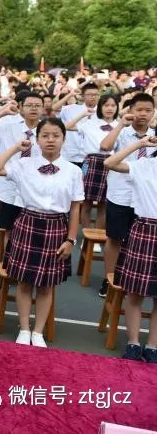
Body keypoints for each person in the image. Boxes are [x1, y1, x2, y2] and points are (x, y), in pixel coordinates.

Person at [0, 118, 83, 348]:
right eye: (45, 135)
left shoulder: (73, 171)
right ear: (37, 139)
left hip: (56, 228)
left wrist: (71, 239)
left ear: (64, 139)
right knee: (23, 282)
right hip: (27, 223)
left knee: (46, 284)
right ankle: (24, 328)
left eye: (56, 135)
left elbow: (76, 207)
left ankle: (38, 331)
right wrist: (15, 148)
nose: (50, 140)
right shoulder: (24, 164)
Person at [103, 134, 157, 363]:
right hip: (144, 229)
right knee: (134, 293)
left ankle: (153, 346)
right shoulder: (144, 165)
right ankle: (133, 343)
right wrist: (140, 144)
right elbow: (110, 163)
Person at [98, 93, 156, 298]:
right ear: (130, 110)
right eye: (139, 109)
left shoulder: (155, 135)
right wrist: (121, 125)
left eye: (148, 110)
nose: (143, 114)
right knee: (115, 238)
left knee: (138, 241)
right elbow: (104, 147)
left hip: (147, 200)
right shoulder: (121, 131)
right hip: (121, 194)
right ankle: (109, 279)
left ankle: (132, 278)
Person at [0, 93, 44, 231]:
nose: (33, 109)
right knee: (6, 229)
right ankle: (7, 254)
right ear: (20, 108)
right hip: (9, 185)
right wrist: (3, 112)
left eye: (38, 106)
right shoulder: (8, 127)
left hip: (36, 187)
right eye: (29, 105)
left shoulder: (47, 131)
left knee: (31, 230)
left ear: (43, 109)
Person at [65, 93, 119, 228]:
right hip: (92, 162)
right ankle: (85, 235)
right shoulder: (90, 123)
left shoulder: (120, 126)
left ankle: (96, 237)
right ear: (100, 107)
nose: (109, 108)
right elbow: (68, 126)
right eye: (106, 105)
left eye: (113, 105)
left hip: (111, 164)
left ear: (117, 108)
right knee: (87, 201)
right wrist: (83, 114)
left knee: (103, 204)